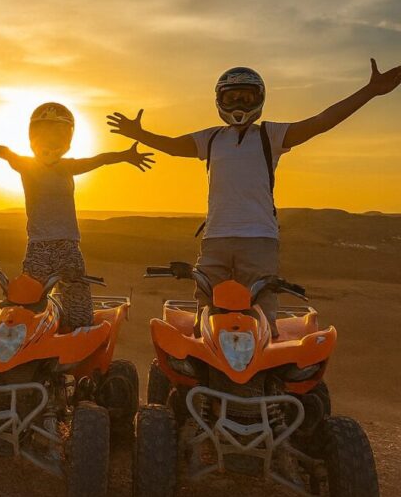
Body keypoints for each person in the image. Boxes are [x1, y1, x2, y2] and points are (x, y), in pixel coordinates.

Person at [107, 59, 401, 336]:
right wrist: (140, 134)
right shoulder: (210, 138)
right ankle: (205, 380)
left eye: (246, 98)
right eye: (231, 97)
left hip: (259, 239)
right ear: (219, 101)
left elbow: (321, 121)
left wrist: (370, 91)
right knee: (207, 310)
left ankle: (263, 382)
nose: (238, 104)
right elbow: (171, 146)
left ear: (259, 99)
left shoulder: (270, 135)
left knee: (261, 314)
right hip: (216, 238)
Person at [0, 102, 154, 330]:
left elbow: (100, 159)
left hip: (67, 245)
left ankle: (75, 351)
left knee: (78, 307)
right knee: (25, 305)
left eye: (57, 133)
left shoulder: (67, 167)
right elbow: (4, 152)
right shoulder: (26, 165)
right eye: (44, 133)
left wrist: (125, 155)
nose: (50, 140)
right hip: (39, 246)